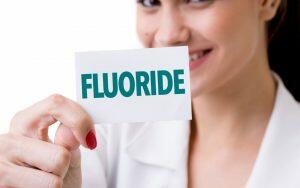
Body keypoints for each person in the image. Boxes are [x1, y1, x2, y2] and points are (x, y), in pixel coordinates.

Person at [0, 0, 299, 187]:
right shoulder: (101, 140)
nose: (169, 34)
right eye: (150, 1)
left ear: (268, 2)